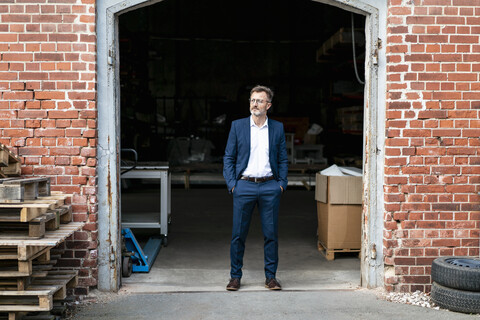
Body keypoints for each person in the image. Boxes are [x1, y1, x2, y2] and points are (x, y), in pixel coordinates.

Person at [223, 85, 288, 291]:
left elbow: (283, 159)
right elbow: (229, 158)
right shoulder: (238, 126)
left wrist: (281, 184)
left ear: (268, 105)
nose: (255, 104)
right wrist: (233, 185)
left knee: (270, 235)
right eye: (252, 100)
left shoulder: (277, 128)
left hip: (270, 186)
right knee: (238, 235)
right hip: (244, 186)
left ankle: (271, 277)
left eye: (259, 100)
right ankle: (235, 277)